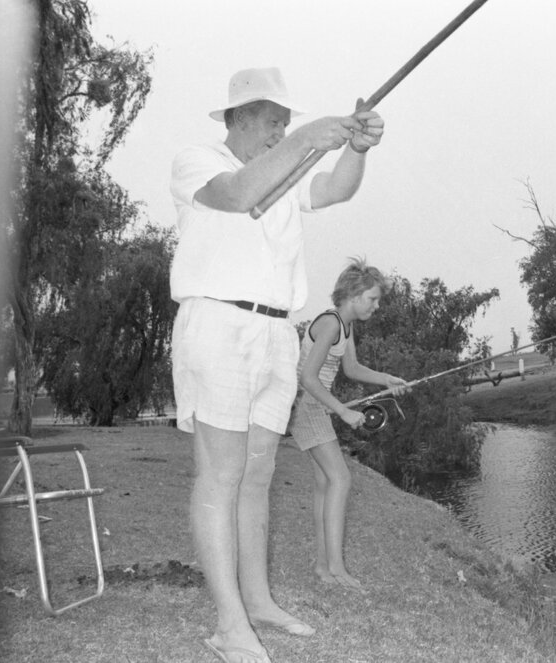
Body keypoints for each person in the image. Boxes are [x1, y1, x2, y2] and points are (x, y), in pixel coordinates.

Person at [169, 67, 383, 663]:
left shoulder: (285, 173)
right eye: (271, 121)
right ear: (237, 117)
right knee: (222, 474)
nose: (279, 131)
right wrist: (312, 136)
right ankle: (229, 625)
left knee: (259, 474)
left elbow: (335, 190)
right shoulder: (198, 159)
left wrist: (356, 148)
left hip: (274, 332)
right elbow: (237, 194)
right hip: (218, 325)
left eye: (286, 123)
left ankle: (258, 601)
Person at [289, 259, 409, 589]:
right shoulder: (329, 323)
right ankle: (337, 571)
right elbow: (308, 378)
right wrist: (343, 411)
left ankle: (323, 569)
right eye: (372, 298)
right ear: (354, 295)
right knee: (340, 478)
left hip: (316, 405)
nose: (376, 305)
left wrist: (387, 379)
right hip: (309, 405)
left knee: (326, 485)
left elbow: (352, 369)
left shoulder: (345, 325)